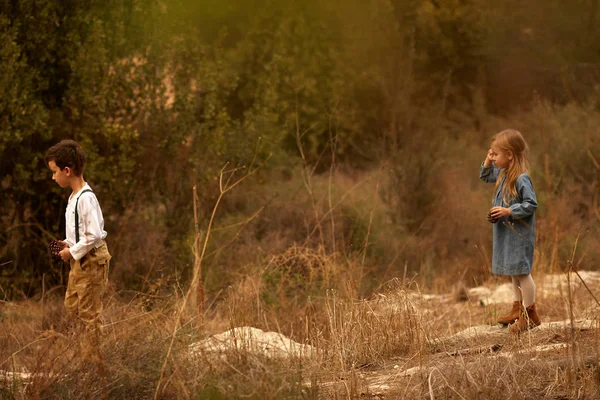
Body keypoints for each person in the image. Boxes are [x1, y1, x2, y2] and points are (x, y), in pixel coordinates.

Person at [45, 139, 111, 334]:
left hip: (91, 260)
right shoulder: (73, 197)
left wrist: (71, 252)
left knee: (89, 314)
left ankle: (93, 360)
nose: (53, 177)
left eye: (54, 171)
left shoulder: (86, 198)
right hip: (80, 258)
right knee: (72, 307)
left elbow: (94, 235)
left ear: (67, 171)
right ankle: (83, 353)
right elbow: (82, 233)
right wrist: (68, 244)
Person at [480, 129, 540, 333]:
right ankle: (517, 309)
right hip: (508, 234)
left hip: (519, 235)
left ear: (510, 155)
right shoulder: (504, 175)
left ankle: (530, 313)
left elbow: (531, 204)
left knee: (523, 272)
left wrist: (508, 210)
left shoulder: (521, 179)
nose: (493, 157)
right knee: (514, 272)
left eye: (495, 154)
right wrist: (488, 161)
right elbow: (486, 176)